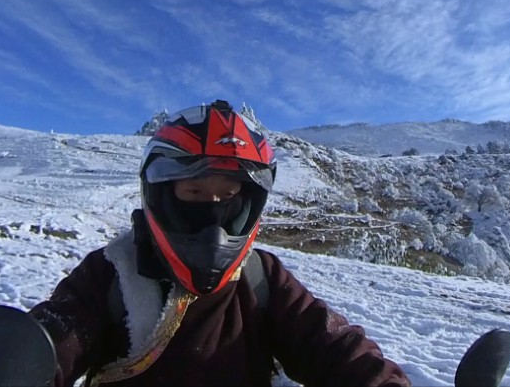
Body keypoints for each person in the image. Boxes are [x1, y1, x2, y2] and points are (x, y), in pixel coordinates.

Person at [29, 100, 410, 387]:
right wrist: (5, 359)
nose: (212, 218)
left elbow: (336, 347)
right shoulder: (111, 273)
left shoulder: (262, 278)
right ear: (160, 194)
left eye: (228, 198)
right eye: (193, 192)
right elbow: (51, 341)